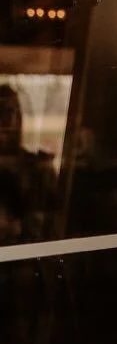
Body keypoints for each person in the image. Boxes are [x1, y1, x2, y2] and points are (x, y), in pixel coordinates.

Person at [0, 83, 56, 241]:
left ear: (18, 117)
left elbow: (51, 222)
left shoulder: (38, 167)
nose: (4, 120)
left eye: (9, 112)